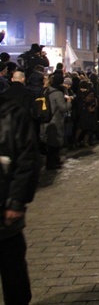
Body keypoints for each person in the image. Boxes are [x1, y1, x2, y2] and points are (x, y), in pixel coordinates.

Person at [0, 88, 41, 305]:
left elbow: (27, 161)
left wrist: (16, 202)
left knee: (12, 270)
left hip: (5, 209)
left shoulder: (12, 114)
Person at [41, 74, 73, 170]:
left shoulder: (46, 90)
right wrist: (69, 101)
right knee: (54, 142)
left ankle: (52, 161)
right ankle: (52, 162)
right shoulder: (58, 93)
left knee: (49, 141)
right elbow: (63, 108)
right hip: (55, 119)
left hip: (45, 118)